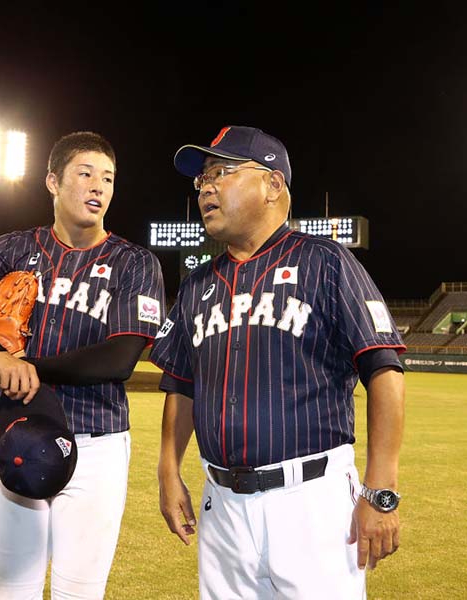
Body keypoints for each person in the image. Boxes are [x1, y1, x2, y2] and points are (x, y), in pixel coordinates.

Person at [150, 125, 406, 599]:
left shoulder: (326, 261)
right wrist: (169, 470)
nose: (206, 186)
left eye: (222, 172)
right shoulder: (196, 284)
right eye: (201, 179)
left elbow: (384, 370)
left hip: (311, 501)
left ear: (272, 185)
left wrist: (381, 491)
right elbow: (180, 383)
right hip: (221, 503)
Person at [0, 131, 167, 599]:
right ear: (53, 181)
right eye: (85, 173)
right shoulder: (13, 248)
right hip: (22, 436)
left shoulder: (134, 263)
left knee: (79, 594)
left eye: (108, 178)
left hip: (96, 443)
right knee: (13, 592)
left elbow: (119, 360)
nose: (98, 186)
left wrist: (28, 364)